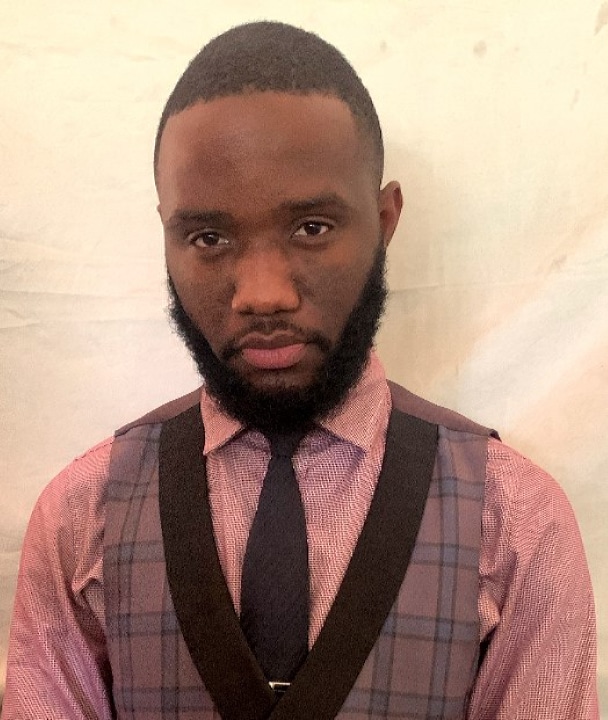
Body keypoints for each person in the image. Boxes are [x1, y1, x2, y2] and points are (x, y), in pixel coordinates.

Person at [2, 21, 598, 720]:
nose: (263, 295)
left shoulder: (515, 521)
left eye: (312, 228)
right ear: (167, 233)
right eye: (209, 237)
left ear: (384, 220)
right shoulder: (81, 519)